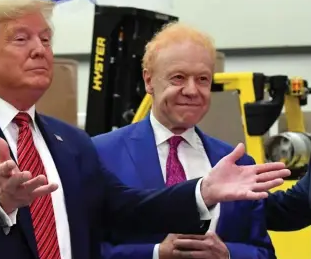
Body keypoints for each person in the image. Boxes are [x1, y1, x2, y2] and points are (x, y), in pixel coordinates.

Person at [0, 0, 290, 259]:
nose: (41, 49)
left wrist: (201, 191)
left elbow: (126, 209)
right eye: (22, 38)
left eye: (47, 39)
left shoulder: (70, 143)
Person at [92, 23, 277, 259]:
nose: (192, 90)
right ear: (149, 81)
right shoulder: (100, 154)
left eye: (202, 79)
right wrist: (156, 253)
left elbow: (264, 253)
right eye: (178, 78)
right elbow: (80, 247)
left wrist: (227, 254)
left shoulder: (237, 164)